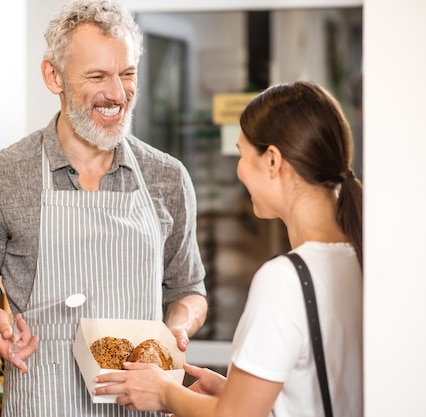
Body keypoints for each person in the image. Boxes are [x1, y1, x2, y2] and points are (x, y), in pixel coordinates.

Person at [0, 1, 208, 416]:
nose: (117, 94)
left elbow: (189, 290)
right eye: (98, 76)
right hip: (43, 402)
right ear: (54, 76)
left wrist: (178, 326)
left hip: (142, 405)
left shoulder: (167, 177)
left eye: (127, 74)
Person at [94, 81, 363, 417]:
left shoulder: (285, 280)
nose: (239, 170)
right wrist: (232, 392)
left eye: (242, 154)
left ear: (273, 161)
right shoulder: (358, 258)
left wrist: (163, 391)